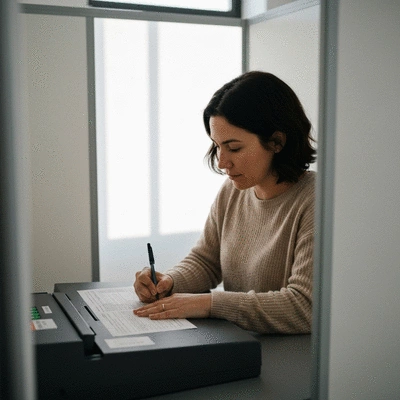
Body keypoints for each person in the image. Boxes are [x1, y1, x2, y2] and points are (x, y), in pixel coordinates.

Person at [133, 71, 316, 334]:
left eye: (234, 148)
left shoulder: (316, 202)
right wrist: (168, 282)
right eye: (217, 146)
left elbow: (304, 306)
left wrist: (209, 304)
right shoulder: (233, 191)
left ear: (277, 142)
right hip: (245, 344)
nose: (221, 162)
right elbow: (206, 261)